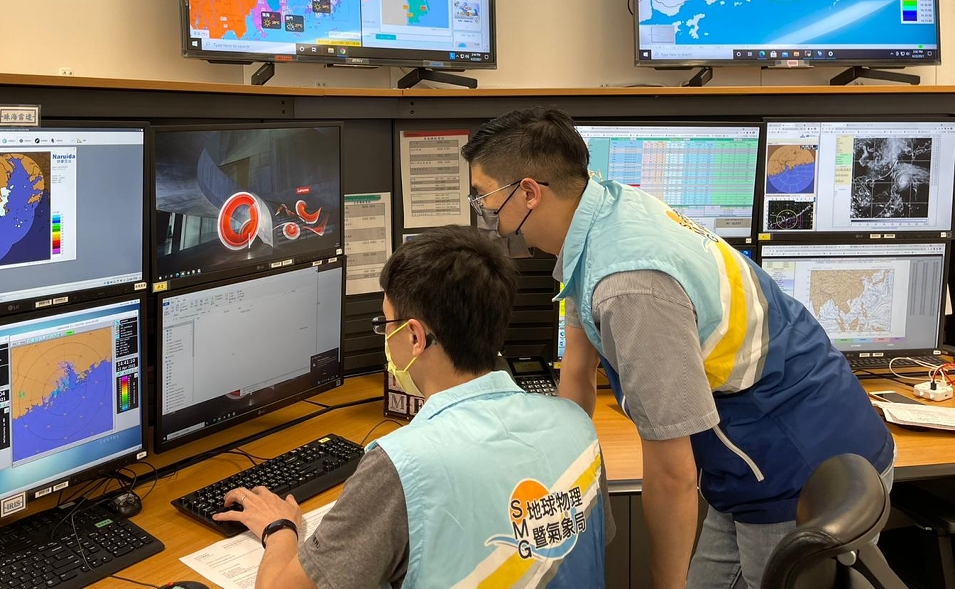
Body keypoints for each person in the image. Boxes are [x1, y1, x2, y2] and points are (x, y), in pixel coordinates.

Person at [462, 108, 894, 589]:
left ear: (528, 192)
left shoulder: (630, 285)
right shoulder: (600, 208)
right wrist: (558, 468)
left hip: (796, 462)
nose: (486, 215)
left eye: (485, 196)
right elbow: (578, 372)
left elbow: (672, 474)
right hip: (748, 458)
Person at [213, 225, 609, 589]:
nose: (385, 337)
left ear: (415, 337)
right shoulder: (576, 426)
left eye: (387, 324)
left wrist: (280, 529)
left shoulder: (402, 464)